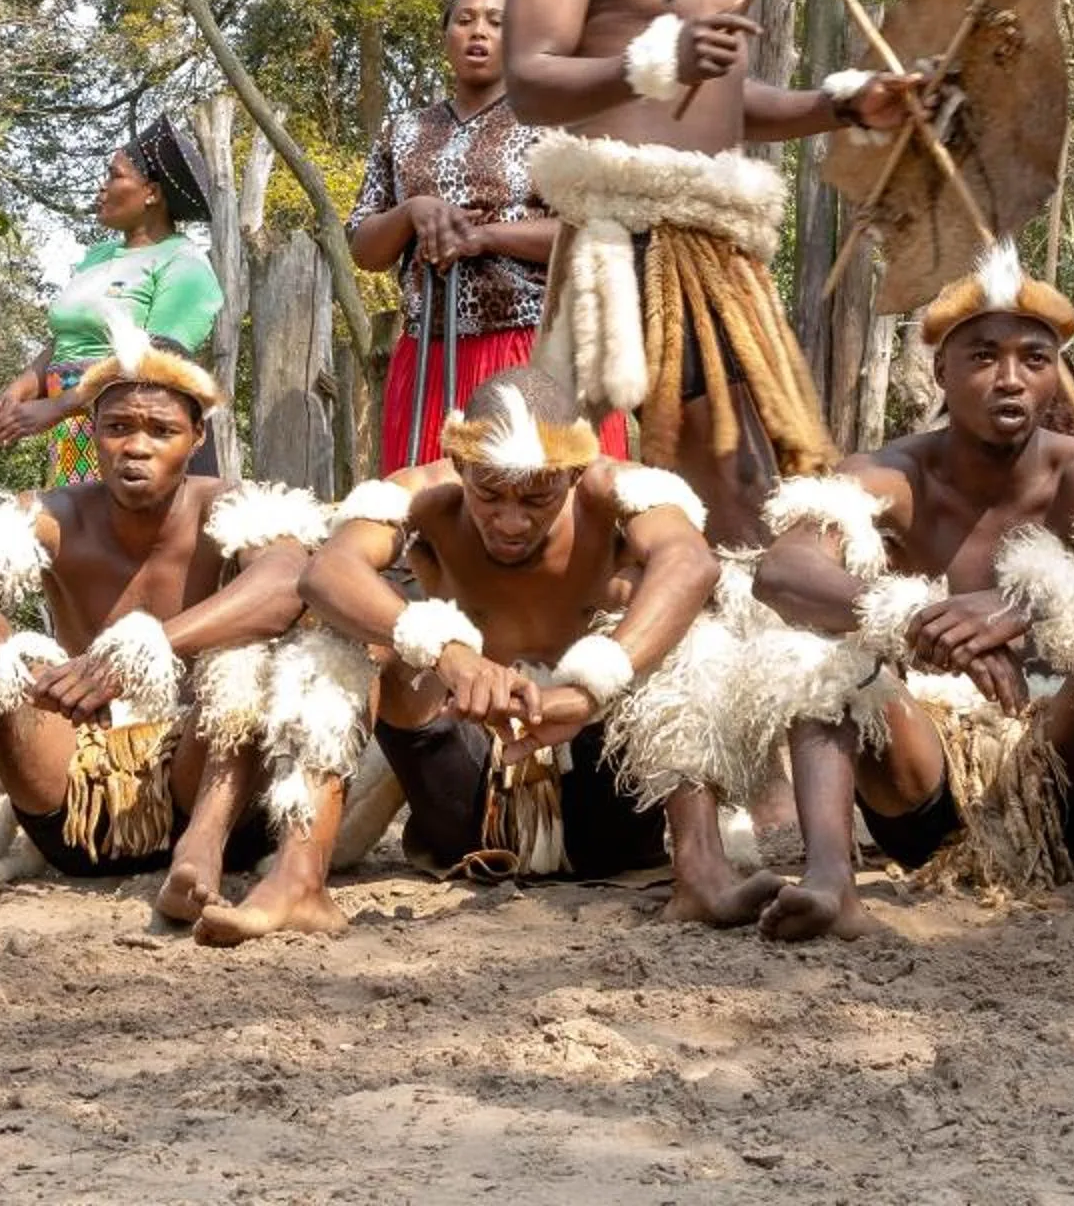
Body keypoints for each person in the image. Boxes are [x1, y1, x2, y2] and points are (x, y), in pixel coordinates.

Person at [746, 243, 1074, 960]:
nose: (1010, 380)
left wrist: (1030, 602)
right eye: (984, 357)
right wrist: (910, 617)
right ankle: (831, 881)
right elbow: (783, 571)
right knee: (815, 645)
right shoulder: (891, 473)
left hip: (1058, 780)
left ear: (1056, 375)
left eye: (1034, 359)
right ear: (941, 372)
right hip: (916, 781)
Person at [504, 0, 920, 550]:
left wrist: (839, 103)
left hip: (716, 245)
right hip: (635, 246)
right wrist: (655, 62)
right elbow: (532, 84)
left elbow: (727, 105)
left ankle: (719, 630)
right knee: (688, 471)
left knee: (739, 466)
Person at [210, 369, 777, 944]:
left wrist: (586, 691)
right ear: (460, 467)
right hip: (465, 804)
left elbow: (691, 563)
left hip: (610, 798)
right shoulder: (421, 494)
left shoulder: (622, 492)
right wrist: (445, 651)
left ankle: (702, 872)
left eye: (537, 497)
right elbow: (326, 572)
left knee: (687, 627)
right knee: (338, 635)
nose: (510, 520)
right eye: (488, 493)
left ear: (575, 473)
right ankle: (297, 880)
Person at [0, 314, 324, 929]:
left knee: (248, 653)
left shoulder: (232, 506)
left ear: (196, 434)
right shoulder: (52, 515)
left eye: (160, 430)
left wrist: (144, 651)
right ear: (93, 431)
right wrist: (7, 667)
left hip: (209, 793)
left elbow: (287, 584)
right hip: (78, 803)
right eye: (118, 427)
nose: (136, 447)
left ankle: (199, 852)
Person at [352, 0, 626, 472]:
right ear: (445, 36)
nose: (479, 31)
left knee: (541, 506)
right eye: (465, 20)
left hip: (533, 345)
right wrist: (412, 209)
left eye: (498, 23)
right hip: (429, 352)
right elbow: (365, 249)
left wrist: (486, 237)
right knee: (429, 510)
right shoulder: (403, 131)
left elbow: (594, 232)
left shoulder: (556, 124)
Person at [0, 115, 225, 484]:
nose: (102, 188)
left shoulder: (184, 264)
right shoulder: (97, 256)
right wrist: (15, 393)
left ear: (152, 193)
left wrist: (58, 406)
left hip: (130, 432)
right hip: (71, 433)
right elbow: (64, 341)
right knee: (72, 532)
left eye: (114, 176)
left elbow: (157, 362)